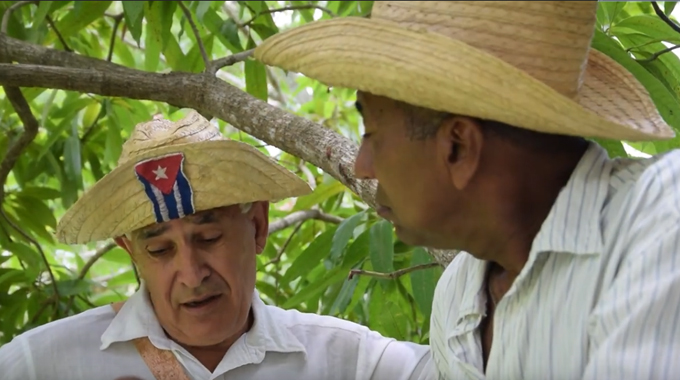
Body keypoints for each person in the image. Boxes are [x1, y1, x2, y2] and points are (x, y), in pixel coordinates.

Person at [253, 1, 680, 379]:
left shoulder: (660, 225)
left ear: (458, 147)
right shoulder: (458, 297)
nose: (363, 166)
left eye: (372, 133)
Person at [0, 110, 434, 380]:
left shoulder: (347, 361)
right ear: (130, 252)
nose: (192, 274)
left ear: (258, 226)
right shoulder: (44, 363)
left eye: (208, 237)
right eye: (159, 250)